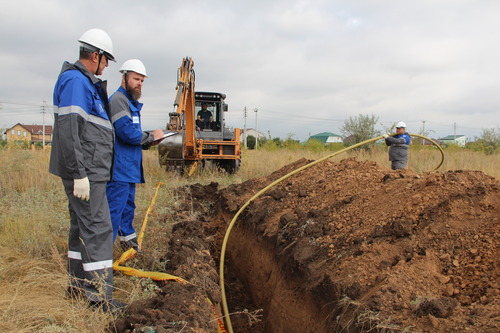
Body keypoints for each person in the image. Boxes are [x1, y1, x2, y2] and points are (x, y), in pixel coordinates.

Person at [49, 28, 125, 312]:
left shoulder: (84, 84)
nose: (106, 67)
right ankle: (99, 299)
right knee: (99, 229)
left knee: (81, 228)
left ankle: (77, 284)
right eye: (106, 61)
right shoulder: (76, 82)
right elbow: (69, 130)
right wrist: (79, 173)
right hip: (87, 173)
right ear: (95, 55)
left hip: (91, 171)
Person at [106, 59, 164, 252]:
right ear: (124, 78)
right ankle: (101, 260)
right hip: (119, 170)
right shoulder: (118, 100)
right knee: (114, 212)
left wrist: (149, 141)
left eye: (142, 80)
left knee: (127, 210)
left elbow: (134, 136)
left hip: (129, 169)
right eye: (135, 79)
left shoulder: (130, 103)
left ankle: (129, 247)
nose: (139, 83)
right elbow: (126, 132)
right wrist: (150, 136)